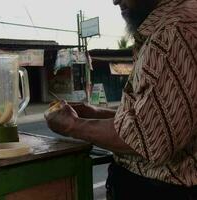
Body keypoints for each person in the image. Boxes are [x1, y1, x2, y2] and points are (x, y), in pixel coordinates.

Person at [45, 0, 197, 199]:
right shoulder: (172, 26)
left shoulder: (174, 32)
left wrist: (73, 125)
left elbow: (148, 137)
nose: (115, 0)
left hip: (163, 191)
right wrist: (95, 113)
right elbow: (155, 117)